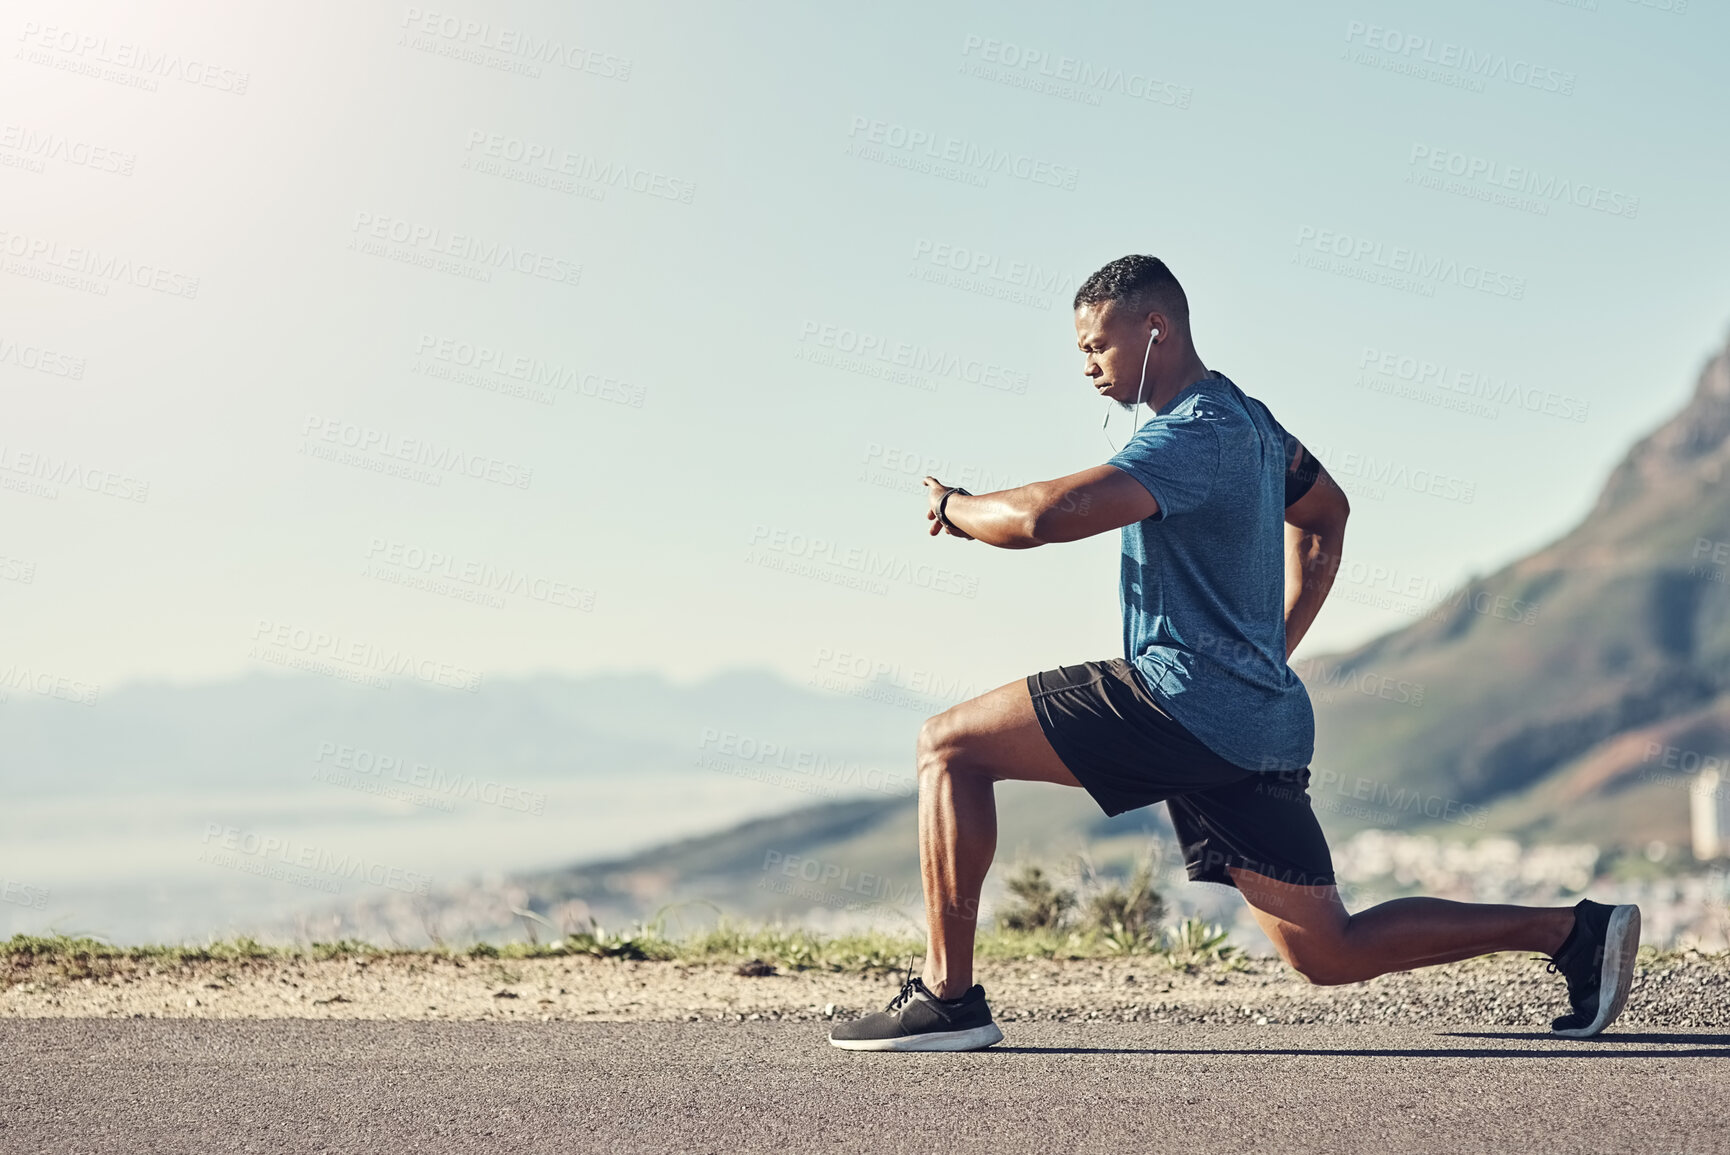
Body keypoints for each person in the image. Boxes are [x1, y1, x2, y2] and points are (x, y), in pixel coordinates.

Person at [827, 254, 1640, 1052]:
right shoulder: (1250, 422)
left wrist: (955, 505)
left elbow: (1045, 517)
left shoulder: (1194, 432)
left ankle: (948, 996)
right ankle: (1574, 932)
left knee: (948, 746)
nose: (1086, 365)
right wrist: (1269, 648)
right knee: (1329, 949)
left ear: (1157, 327)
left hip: (1178, 702)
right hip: (1252, 720)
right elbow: (1328, 513)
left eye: (1095, 345)